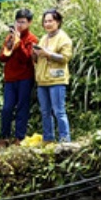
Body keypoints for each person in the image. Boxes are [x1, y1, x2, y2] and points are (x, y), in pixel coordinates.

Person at [0, 9, 38, 147]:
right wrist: (10, 44)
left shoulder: (32, 39)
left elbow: (27, 58)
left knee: (22, 108)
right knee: (7, 108)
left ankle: (19, 137)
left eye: (23, 22)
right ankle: (4, 136)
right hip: (10, 78)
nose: (19, 25)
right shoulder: (10, 37)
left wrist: (19, 44)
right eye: (17, 21)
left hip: (25, 78)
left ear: (29, 22)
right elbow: (2, 57)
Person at [34, 9, 73, 144]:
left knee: (59, 111)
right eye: (45, 21)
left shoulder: (63, 38)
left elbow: (65, 57)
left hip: (57, 79)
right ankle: (48, 139)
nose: (48, 24)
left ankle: (65, 140)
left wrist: (48, 54)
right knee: (45, 112)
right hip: (42, 80)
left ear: (58, 22)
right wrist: (36, 53)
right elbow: (39, 58)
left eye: (51, 21)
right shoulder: (44, 38)